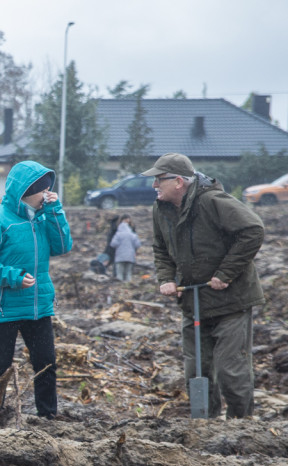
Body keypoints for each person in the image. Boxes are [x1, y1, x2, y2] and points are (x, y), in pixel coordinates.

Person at [143, 152, 264, 418]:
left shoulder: (212, 201)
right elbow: (160, 248)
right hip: (193, 302)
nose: (154, 186)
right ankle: (204, 428)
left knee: (231, 369)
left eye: (158, 180)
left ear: (178, 181)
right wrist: (166, 279)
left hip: (231, 300)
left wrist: (226, 273)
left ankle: (240, 428)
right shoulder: (161, 209)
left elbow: (253, 230)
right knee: (196, 370)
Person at [0, 160, 72, 420]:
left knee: (46, 364)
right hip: (3, 309)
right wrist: (13, 277)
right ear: (26, 192)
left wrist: (55, 209)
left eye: (50, 190)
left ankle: (48, 416)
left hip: (38, 306)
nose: (47, 194)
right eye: (43, 191)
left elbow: (62, 246)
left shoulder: (43, 218)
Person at [110, 214, 141, 282]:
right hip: (130, 256)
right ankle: (128, 286)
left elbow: (113, 244)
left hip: (120, 256)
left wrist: (119, 245)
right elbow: (138, 244)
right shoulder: (132, 234)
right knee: (128, 274)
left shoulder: (118, 234)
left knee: (120, 274)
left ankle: (120, 288)